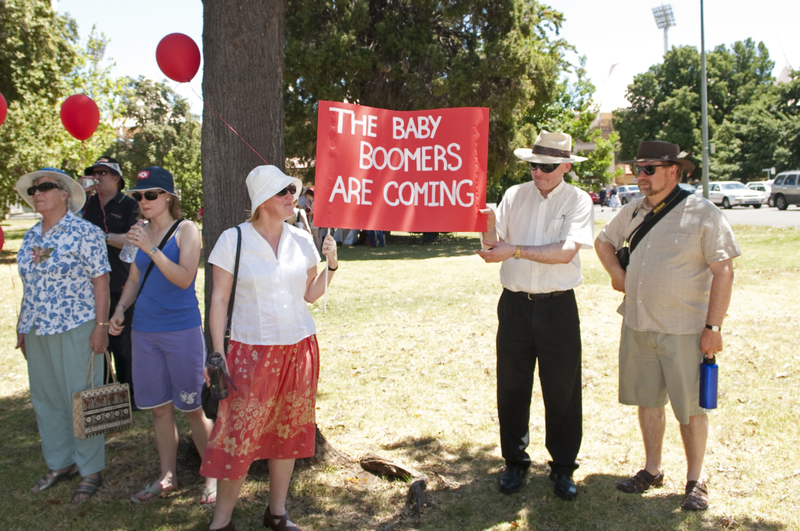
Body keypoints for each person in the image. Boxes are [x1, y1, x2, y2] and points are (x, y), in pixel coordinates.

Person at [594, 140, 740, 511]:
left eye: (649, 169)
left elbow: (723, 269)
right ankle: (653, 469)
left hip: (685, 330)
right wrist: (616, 274)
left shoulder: (703, 213)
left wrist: (714, 327)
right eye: (637, 170)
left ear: (673, 171)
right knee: (647, 401)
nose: (640, 176)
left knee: (690, 408)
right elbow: (603, 241)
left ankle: (695, 480)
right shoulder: (632, 211)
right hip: (639, 324)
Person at [201, 165, 339, 531]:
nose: (292, 197)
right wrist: (217, 353)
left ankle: (276, 513)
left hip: (299, 348)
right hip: (250, 351)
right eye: (283, 192)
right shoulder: (234, 240)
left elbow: (310, 294)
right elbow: (218, 301)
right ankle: (222, 521)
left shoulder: (302, 239)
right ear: (262, 200)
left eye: (292, 191)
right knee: (238, 436)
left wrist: (333, 265)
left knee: (288, 432)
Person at [476, 131, 594, 501]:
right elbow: (494, 244)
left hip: (558, 306)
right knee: (511, 388)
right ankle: (514, 463)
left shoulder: (578, 200)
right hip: (514, 305)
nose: (537, 172)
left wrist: (515, 251)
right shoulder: (513, 195)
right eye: (532, 164)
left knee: (562, 390)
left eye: (545, 166)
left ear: (566, 166)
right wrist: (488, 223)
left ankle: (563, 468)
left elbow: (565, 252)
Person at [107, 167, 216, 504]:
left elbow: (184, 278)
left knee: (193, 408)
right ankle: (167, 476)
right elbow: (135, 279)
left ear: (168, 196)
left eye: (151, 194)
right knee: (158, 409)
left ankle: (212, 475)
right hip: (145, 332)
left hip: (181, 330)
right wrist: (121, 309)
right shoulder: (138, 231)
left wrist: (152, 248)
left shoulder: (187, 230)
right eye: (138, 195)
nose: (143, 201)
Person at [14, 168, 110, 503]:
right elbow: (30, 283)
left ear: (65, 194)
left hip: (78, 325)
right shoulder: (30, 236)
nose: (37, 193)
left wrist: (101, 328)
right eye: (33, 190)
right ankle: (61, 462)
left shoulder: (86, 232)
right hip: (38, 328)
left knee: (83, 397)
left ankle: (91, 468)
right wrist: (21, 326)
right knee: (47, 398)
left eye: (45, 187)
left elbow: (101, 281)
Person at [82, 157, 140, 408]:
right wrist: (78, 192)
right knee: (97, 344)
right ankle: (106, 398)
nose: (97, 177)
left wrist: (100, 236)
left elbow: (133, 241)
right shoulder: (86, 203)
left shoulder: (129, 204)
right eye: (94, 173)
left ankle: (131, 398)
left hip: (120, 283)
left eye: (103, 172)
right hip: (89, 287)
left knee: (123, 346)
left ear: (116, 177)